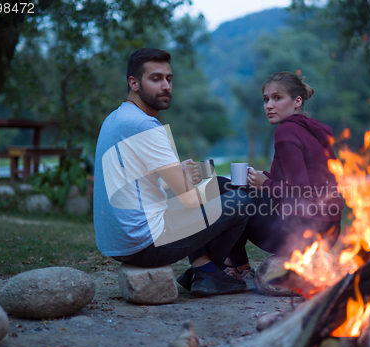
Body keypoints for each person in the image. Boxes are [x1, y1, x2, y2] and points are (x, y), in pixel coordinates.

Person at [93, 48, 253, 297]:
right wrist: (190, 184)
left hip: (117, 241)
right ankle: (208, 274)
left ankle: (203, 267)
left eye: (169, 78)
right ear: (133, 83)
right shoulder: (145, 125)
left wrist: (188, 178)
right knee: (240, 201)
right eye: (155, 79)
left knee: (218, 183)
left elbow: (142, 183)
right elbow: (188, 199)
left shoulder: (116, 118)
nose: (166, 86)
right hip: (143, 244)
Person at [221, 71, 344, 280]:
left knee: (225, 188)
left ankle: (238, 266)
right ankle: (233, 264)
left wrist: (265, 183)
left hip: (301, 235)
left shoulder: (286, 131)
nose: (269, 105)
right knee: (238, 187)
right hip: (328, 232)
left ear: (297, 101)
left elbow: (302, 192)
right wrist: (263, 179)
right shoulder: (312, 131)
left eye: (277, 98)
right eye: (266, 99)